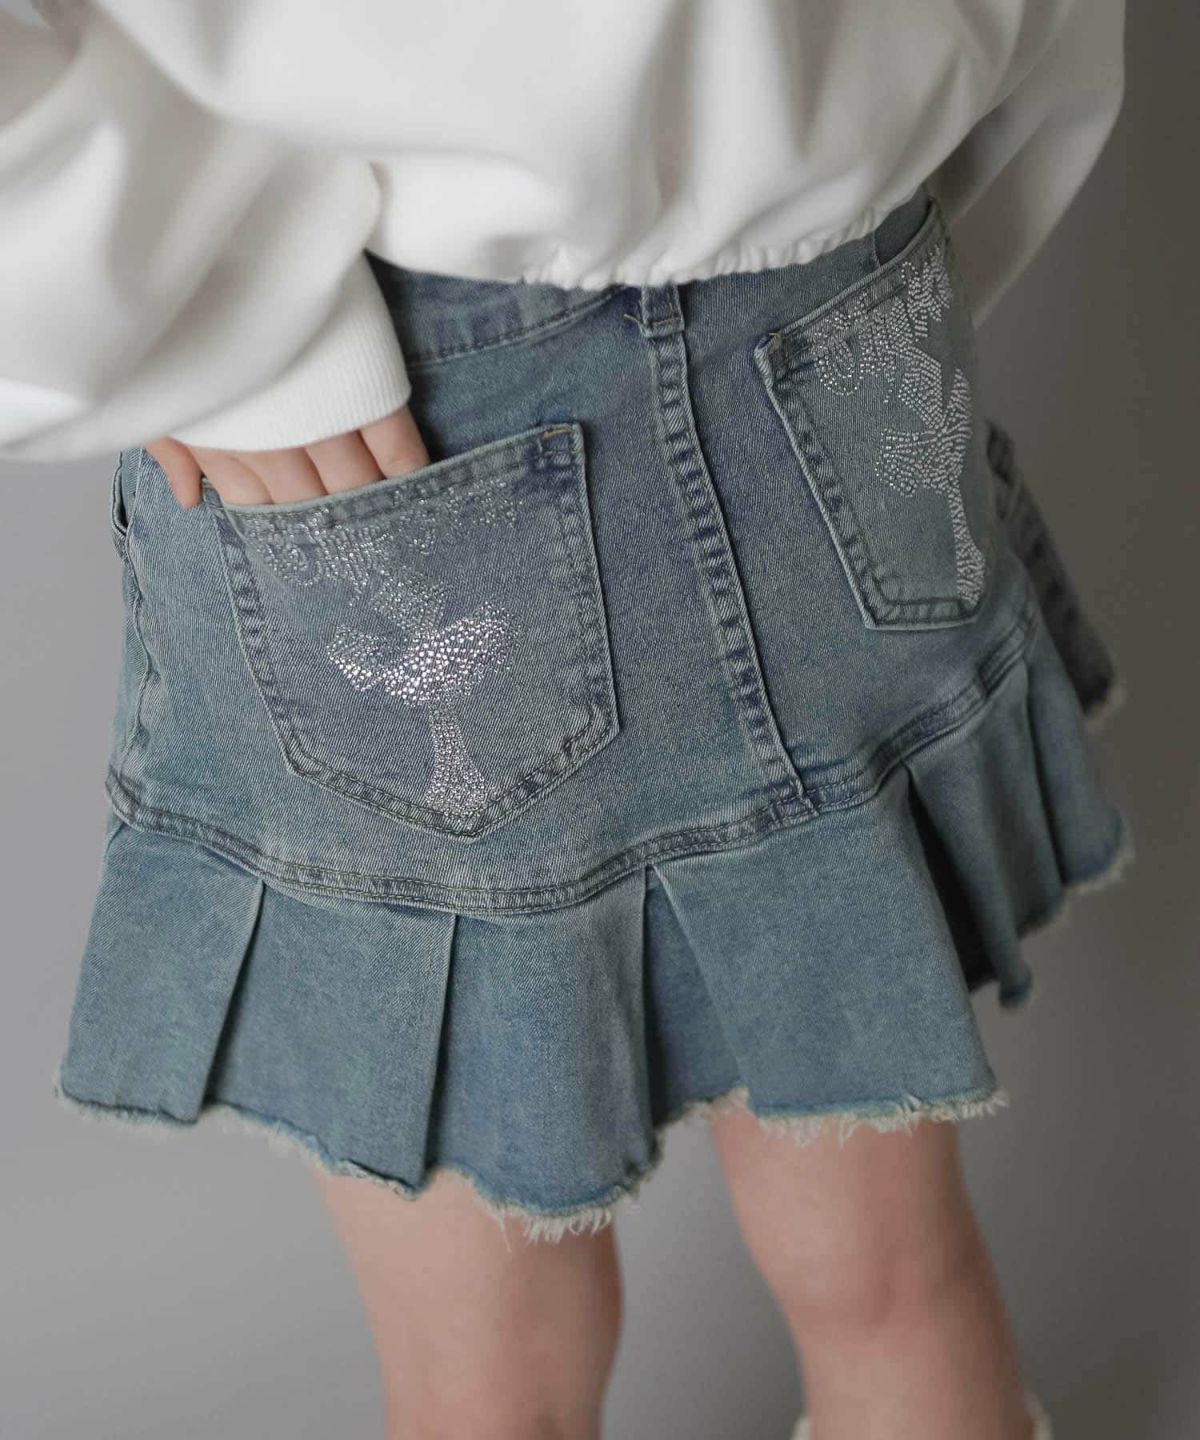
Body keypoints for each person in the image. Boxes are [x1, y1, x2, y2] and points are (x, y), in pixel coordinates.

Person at [3, 4, 1131, 1437]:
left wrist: (182, 308)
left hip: (394, 387)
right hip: (811, 270)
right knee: (892, 1284)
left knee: (488, 1382)